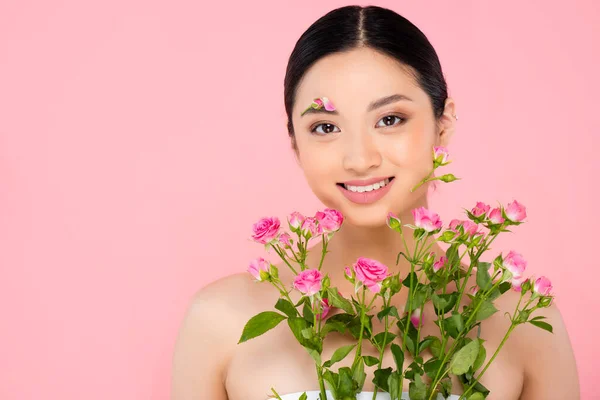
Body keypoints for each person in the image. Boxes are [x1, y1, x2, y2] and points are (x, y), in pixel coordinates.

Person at [171, 5, 579, 400]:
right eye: (325, 126)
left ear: (444, 123)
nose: (360, 158)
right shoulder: (221, 319)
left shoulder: (517, 321)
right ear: (294, 140)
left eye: (389, 120)